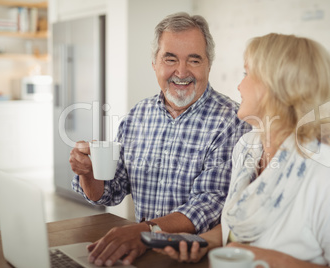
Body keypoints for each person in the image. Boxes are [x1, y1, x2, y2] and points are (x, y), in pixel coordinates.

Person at [156, 33, 330, 267]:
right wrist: (203, 242)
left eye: (247, 74)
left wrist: (272, 260)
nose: (239, 85)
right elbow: (237, 228)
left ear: (275, 85)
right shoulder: (247, 148)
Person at [69, 12, 250, 266]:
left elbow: (209, 203)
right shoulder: (138, 115)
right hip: (142, 251)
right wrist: (88, 173)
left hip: (195, 258)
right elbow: (111, 190)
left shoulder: (232, 120)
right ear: (155, 63)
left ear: (209, 64)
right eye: (170, 58)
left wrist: (145, 231)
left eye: (194, 60)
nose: (182, 71)